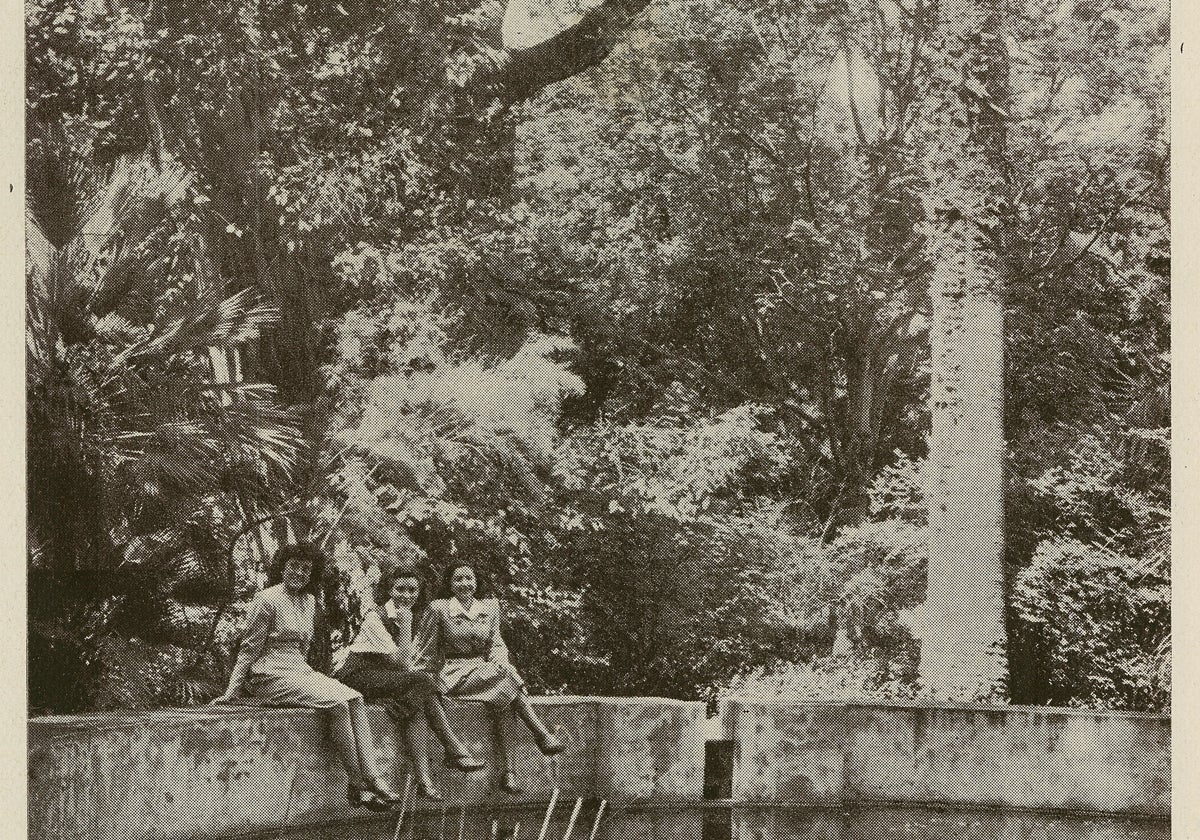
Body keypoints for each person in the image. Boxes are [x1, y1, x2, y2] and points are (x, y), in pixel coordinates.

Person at [212, 542, 399, 812]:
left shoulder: (310, 601)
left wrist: (308, 673)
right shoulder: (266, 599)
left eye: (305, 569)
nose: (299, 573)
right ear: (282, 568)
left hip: (299, 669)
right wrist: (233, 690)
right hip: (269, 673)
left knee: (354, 698)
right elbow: (249, 647)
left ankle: (374, 776)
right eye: (294, 567)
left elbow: (304, 647)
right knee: (336, 703)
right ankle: (357, 783)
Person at [334, 566, 486, 800]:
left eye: (412, 590)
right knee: (422, 684)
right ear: (389, 590)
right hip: (358, 676)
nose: (406, 596)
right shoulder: (377, 616)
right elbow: (404, 664)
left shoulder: (417, 616)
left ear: (420, 592)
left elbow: (411, 663)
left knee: (422, 695)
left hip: (388, 679)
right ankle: (453, 748)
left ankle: (424, 781)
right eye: (400, 589)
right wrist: (405, 624)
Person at [413, 561, 563, 795]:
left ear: (476, 582)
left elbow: (496, 643)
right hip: (454, 672)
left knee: (505, 688)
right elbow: (425, 649)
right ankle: (541, 735)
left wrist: (500, 660)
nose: (465, 584)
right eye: (458, 579)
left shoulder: (490, 607)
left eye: (469, 578)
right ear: (450, 584)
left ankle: (510, 774)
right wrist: (424, 680)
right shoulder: (439, 609)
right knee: (507, 681)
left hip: (484, 671)